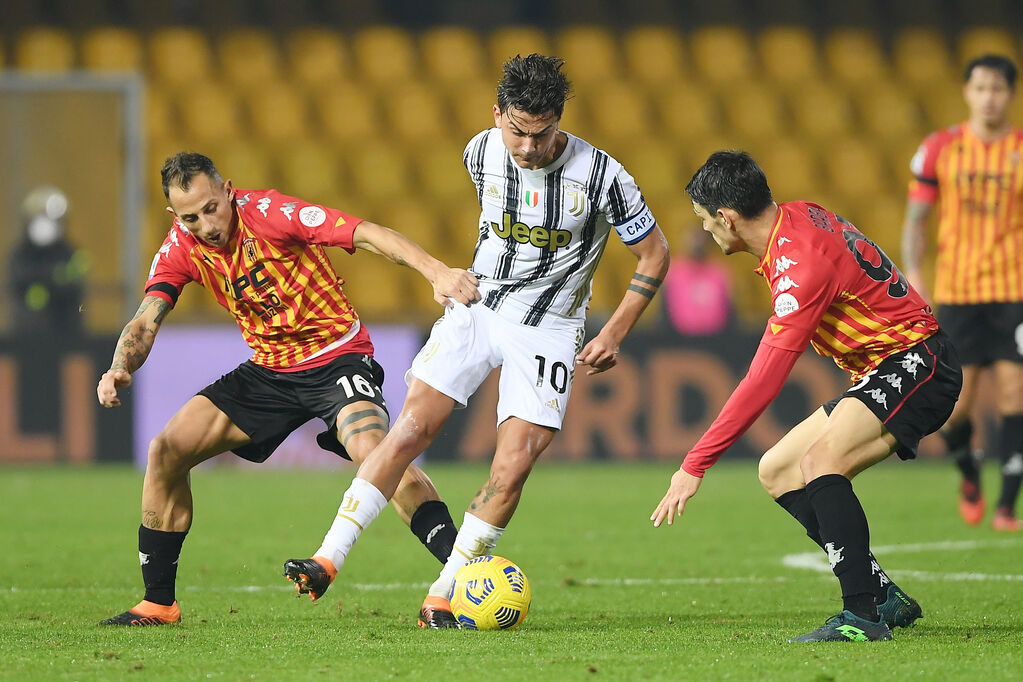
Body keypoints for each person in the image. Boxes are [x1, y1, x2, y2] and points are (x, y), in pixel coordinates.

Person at [283, 54, 671, 628]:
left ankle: (442, 594)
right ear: (497, 115)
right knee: (411, 429)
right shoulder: (480, 151)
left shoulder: (603, 176)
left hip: (550, 326)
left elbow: (654, 250)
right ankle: (327, 558)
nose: (528, 148)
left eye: (541, 135)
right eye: (516, 130)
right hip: (479, 307)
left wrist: (614, 330)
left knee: (514, 464)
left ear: (560, 120)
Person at [96, 152, 480, 626]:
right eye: (191, 217)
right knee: (166, 450)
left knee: (377, 452)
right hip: (270, 371)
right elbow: (147, 318)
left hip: (336, 356)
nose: (207, 224)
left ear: (228, 191)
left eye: (212, 208)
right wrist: (118, 365)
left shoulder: (272, 215)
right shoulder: (181, 247)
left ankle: (465, 575)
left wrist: (436, 271)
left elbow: (366, 233)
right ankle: (158, 603)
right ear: (176, 216)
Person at [651, 151, 962, 642]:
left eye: (706, 221)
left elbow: (762, 382)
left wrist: (694, 464)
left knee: (821, 462)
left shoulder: (800, 267)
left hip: (918, 360)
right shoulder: (798, 216)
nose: (707, 232)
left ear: (728, 218)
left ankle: (861, 615)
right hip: (884, 364)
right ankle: (882, 595)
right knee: (776, 468)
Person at [901, 54, 1023, 531]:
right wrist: (914, 270)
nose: (989, 97)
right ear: (967, 93)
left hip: (1013, 289)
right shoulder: (940, 149)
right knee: (956, 406)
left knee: (1015, 392)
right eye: (980, 88)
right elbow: (917, 219)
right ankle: (969, 473)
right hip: (957, 290)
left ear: (1010, 95)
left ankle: (1007, 505)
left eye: (998, 88)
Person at [8, 185, 88, 339]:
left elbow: (75, 286)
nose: (44, 225)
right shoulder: (19, 255)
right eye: (39, 217)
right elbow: (17, 285)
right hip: (25, 335)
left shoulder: (69, 254)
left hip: (66, 333)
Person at [662, 225, 732, 336]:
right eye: (693, 239)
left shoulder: (718, 271)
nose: (697, 244)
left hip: (716, 338)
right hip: (680, 338)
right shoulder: (674, 270)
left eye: (700, 239)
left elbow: (728, 309)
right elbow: (665, 310)